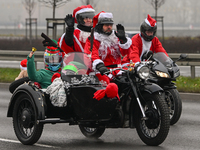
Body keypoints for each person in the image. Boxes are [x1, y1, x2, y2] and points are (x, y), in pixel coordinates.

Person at [84, 11, 132, 83]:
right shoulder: (93, 39)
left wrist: (123, 40)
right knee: (109, 87)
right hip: (101, 71)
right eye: (106, 25)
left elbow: (125, 53)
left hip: (118, 70)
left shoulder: (116, 36)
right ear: (100, 26)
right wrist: (99, 66)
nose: (109, 27)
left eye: (110, 25)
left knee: (130, 82)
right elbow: (92, 55)